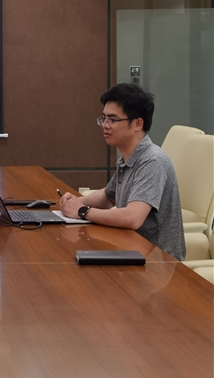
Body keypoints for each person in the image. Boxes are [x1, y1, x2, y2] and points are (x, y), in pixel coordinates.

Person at [59, 83, 185, 260]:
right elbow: (108, 197)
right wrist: (76, 202)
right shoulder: (129, 156)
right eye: (103, 118)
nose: (105, 125)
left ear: (137, 123)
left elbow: (133, 218)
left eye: (113, 119)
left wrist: (82, 211)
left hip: (157, 261)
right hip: (132, 249)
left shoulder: (152, 160)